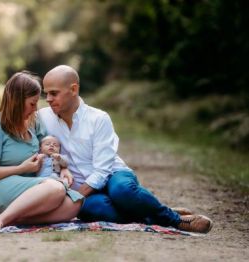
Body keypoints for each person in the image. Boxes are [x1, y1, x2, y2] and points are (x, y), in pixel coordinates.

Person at [38, 65, 213, 233]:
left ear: (74, 89)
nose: (48, 99)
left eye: (54, 93)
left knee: (122, 191)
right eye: (46, 94)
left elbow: (102, 170)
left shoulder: (98, 118)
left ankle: (175, 220)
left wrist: (74, 197)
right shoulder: (43, 118)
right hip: (82, 188)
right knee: (92, 209)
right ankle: (151, 211)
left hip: (112, 174)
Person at [0, 71, 82, 230]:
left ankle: (12, 219)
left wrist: (64, 168)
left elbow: (48, 149)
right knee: (56, 188)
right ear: (16, 101)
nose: (35, 109)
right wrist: (20, 168)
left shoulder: (33, 123)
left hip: (33, 189)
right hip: (0, 189)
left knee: (75, 203)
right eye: (32, 103)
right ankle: (1, 218)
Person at [37, 135, 83, 202]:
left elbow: (65, 165)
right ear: (40, 148)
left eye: (55, 145)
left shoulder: (60, 157)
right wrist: (38, 159)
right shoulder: (39, 156)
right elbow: (34, 167)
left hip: (56, 177)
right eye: (47, 144)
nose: (52, 146)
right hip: (41, 178)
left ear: (59, 150)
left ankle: (67, 192)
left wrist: (59, 159)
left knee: (64, 180)